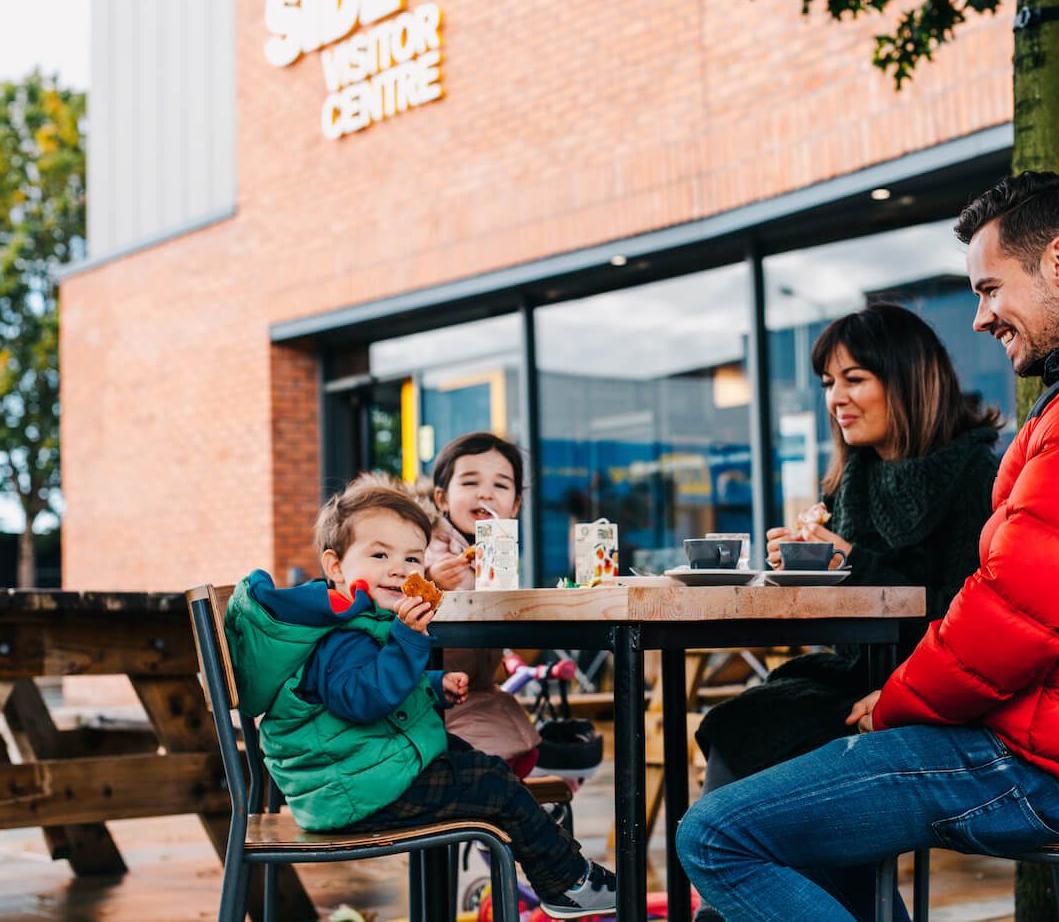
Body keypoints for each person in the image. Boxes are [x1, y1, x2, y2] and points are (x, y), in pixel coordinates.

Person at [678, 171, 1059, 922]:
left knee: (717, 834)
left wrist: (892, 702)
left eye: (990, 288)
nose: (982, 316)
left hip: (1048, 766)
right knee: (782, 792)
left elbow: (1014, 617)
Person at [690, 304, 1001, 922]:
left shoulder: (974, 477)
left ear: (908, 381)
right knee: (742, 722)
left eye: (854, 378)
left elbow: (965, 614)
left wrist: (850, 560)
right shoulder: (850, 479)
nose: (836, 398)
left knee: (771, 748)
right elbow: (852, 595)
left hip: (931, 689)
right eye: (829, 383)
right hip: (852, 674)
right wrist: (804, 567)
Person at [224, 474, 616, 919]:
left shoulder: (360, 618)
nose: (400, 568)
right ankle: (569, 881)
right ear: (335, 567)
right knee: (489, 781)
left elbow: (367, 692)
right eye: (379, 554)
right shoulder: (340, 635)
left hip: (364, 773)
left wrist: (433, 685)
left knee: (472, 761)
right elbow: (363, 699)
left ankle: (564, 870)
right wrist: (409, 641)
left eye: (413, 557)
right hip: (353, 793)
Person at [424, 432, 543, 775]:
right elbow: (396, 591)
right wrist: (430, 579)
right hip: (438, 704)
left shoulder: (496, 556)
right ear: (442, 499)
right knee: (493, 761)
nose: (486, 493)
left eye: (501, 486)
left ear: (516, 505)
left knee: (524, 750)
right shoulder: (427, 547)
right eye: (471, 482)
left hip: (481, 696)